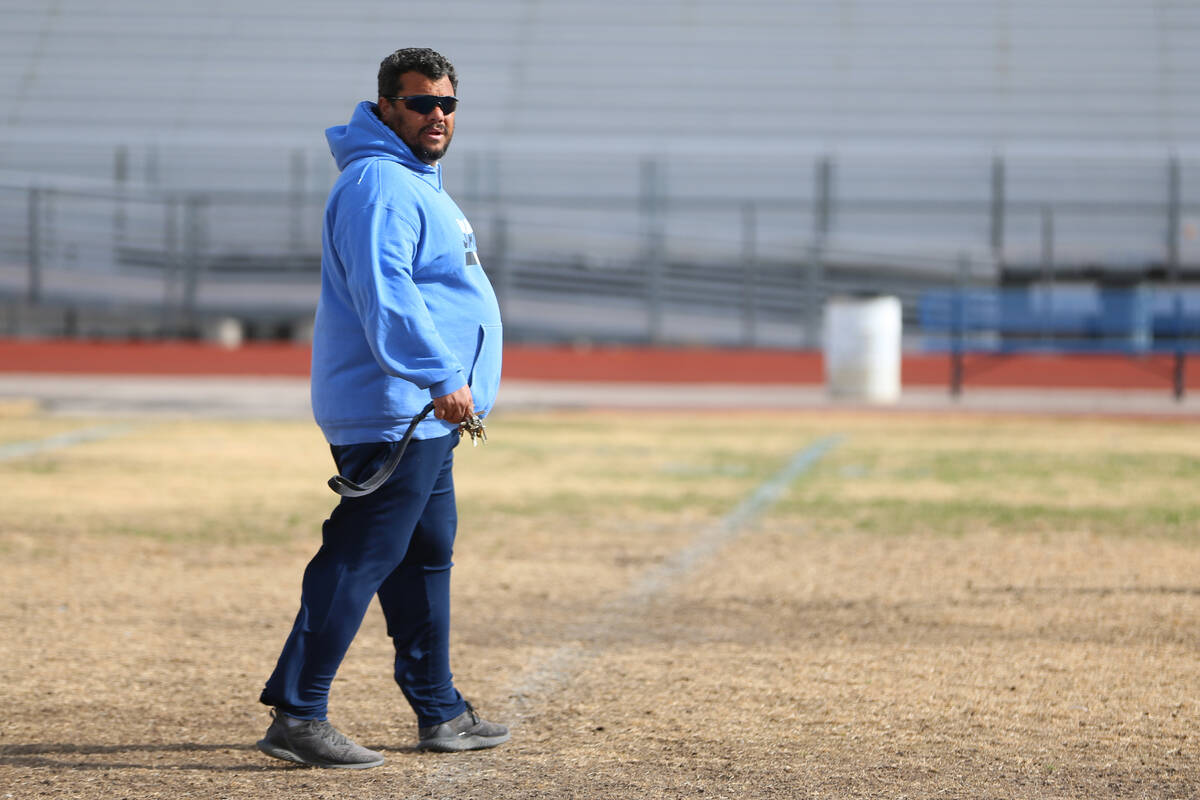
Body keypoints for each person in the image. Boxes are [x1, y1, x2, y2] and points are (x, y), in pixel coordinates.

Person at [255, 47, 507, 769]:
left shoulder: (414, 182)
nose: (437, 115)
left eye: (447, 104)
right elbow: (384, 289)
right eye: (421, 102)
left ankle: (440, 710)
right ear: (387, 106)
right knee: (361, 553)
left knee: (424, 556)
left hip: (425, 413)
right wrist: (437, 375)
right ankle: (299, 713)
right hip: (397, 410)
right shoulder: (378, 184)